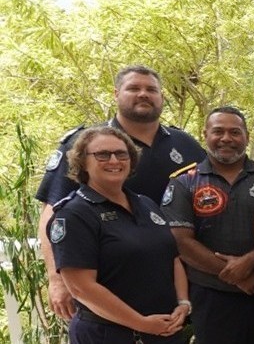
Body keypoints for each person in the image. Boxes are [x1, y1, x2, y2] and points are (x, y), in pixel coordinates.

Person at [38, 65, 205, 321]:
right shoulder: (86, 143)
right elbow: (52, 213)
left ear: (162, 97)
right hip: (108, 285)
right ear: (116, 94)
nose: (143, 94)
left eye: (151, 89)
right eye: (133, 88)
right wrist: (56, 279)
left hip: (177, 283)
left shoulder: (185, 144)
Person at [48, 126, 190, 343]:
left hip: (164, 329)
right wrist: (141, 323)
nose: (114, 160)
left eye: (121, 154)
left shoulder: (146, 204)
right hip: (110, 334)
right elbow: (81, 287)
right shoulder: (74, 214)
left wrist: (183, 303)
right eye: (102, 155)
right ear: (82, 161)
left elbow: (172, 258)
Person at [160, 107, 254, 344]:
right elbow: (181, 242)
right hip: (210, 296)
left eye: (235, 132)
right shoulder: (184, 182)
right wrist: (235, 275)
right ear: (204, 134)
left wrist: (250, 261)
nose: (226, 138)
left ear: (246, 136)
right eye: (218, 131)